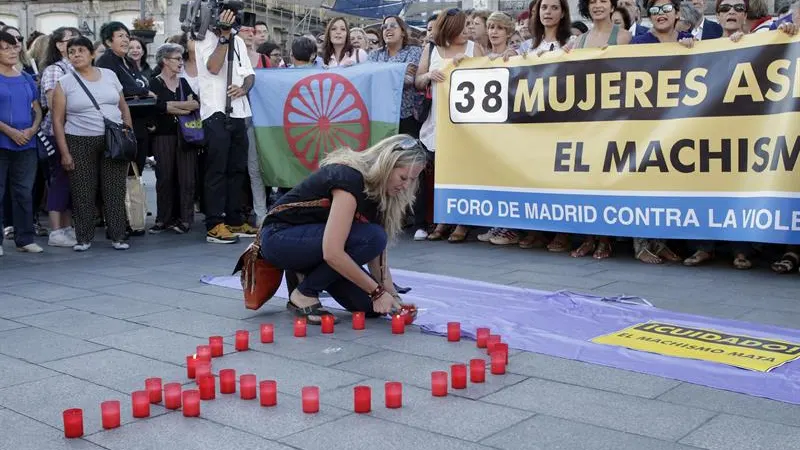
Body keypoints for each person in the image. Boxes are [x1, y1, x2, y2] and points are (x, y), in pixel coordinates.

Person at [259, 134, 426, 324]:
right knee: (373, 237)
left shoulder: (381, 191)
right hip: (279, 237)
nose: (406, 186)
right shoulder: (350, 179)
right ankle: (304, 292)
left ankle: (305, 273)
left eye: (412, 180)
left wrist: (394, 299)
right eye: (403, 177)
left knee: (369, 306)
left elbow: (377, 257)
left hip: (314, 243)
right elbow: (333, 252)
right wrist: (377, 291)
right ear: (386, 165)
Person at [51, 37, 132, 251]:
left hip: (113, 138)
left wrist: (127, 131)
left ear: (92, 54)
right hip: (79, 139)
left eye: (81, 50)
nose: (76, 55)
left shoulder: (110, 75)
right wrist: (65, 153)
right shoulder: (64, 83)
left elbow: (123, 106)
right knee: (83, 190)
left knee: (114, 189)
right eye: (71, 52)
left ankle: (118, 236)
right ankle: (84, 238)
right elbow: (57, 121)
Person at [416, 9, 485, 243]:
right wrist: (429, 76)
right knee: (440, 171)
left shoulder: (473, 49)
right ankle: (443, 218)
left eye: (469, 25)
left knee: (463, 169)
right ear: (450, 27)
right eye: (463, 26)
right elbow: (418, 79)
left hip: (466, 122)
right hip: (437, 118)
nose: (468, 30)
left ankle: (462, 222)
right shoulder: (432, 49)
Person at [194, 9, 259, 243]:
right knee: (217, 169)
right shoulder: (203, 39)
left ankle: (234, 219)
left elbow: (249, 74)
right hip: (215, 111)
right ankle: (214, 223)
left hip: (240, 111)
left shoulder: (239, 40)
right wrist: (223, 37)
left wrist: (244, 88)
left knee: (237, 168)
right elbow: (213, 66)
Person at [96, 21, 154, 203]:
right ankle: (121, 216)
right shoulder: (106, 61)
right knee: (121, 172)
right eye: (120, 36)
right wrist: (144, 92)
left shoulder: (128, 61)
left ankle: (135, 213)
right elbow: (117, 90)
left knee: (136, 170)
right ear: (107, 41)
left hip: (139, 123)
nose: (126, 40)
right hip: (120, 126)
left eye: (127, 36)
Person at [148, 43, 200, 234]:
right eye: (177, 59)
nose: (181, 63)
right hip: (163, 135)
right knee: (164, 177)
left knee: (187, 179)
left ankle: (185, 219)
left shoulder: (183, 82)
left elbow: (194, 104)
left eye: (181, 59)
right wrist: (181, 106)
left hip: (186, 135)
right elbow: (160, 106)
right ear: (164, 61)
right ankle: (163, 218)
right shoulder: (154, 82)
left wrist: (173, 106)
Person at [0, 30, 44, 255]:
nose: (11, 51)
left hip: (26, 143)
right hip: (2, 142)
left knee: (24, 191)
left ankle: (25, 238)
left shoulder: (26, 77)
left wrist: (32, 129)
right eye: (4, 47)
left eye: (15, 46)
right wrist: (11, 132)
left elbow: (37, 109)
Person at [39, 27, 82, 248]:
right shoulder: (55, 70)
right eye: (70, 41)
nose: (76, 45)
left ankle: (66, 227)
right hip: (58, 132)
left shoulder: (79, 68)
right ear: (59, 45)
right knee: (59, 179)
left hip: (76, 131)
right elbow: (52, 103)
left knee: (70, 181)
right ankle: (56, 230)